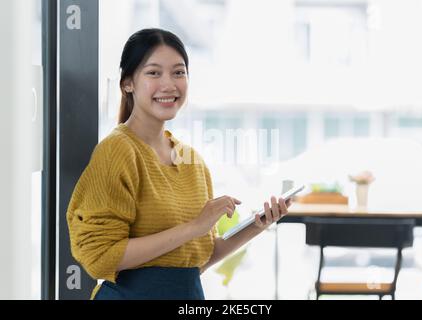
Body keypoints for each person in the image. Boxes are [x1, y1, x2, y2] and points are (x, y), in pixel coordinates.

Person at [66, 28, 291, 300]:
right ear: (128, 83)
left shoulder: (192, 162)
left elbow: (193, 261)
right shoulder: (117, 152)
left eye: (178, 72)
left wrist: (258, 225)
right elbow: (100, 256)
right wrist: (194, 227)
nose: (169, 84)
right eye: (153, 73)